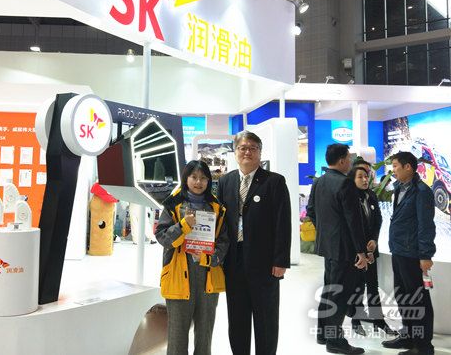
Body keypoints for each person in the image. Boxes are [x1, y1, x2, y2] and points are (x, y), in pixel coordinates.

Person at [217, 130, 291, 355]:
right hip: (233, 260)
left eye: (252, 148)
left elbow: (283, 223)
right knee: (237, 317)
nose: (247, 152)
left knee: (266, 318)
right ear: (235, 152)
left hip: (265, 262)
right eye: (242, 148)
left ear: (260, 152)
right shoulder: (226, 181)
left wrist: (281, 260)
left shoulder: (274, 181)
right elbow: (219, 221)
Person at [155, 160, 229, 355]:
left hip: (208, 278)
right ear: (186, 178)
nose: (198, 182)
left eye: (203, 178)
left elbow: (223, 242)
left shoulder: (217, 207)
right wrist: (183, 226)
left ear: (209, 181)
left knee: (205, 335)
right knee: (177, 336)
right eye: (194, 177)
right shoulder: (172, 204)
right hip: (178, 276)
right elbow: (162, 237)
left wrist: (210, 258)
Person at [307, 144, 368, 355]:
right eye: (349, 158)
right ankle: (335, 340)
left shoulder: (319, 181)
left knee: (330, 289)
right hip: (344, 248)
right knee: (339, 294)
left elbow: (311, 211)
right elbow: (353, 220)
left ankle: (323, 334)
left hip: (328, 246)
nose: (350, 162)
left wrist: (326, 232)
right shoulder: (345, 183)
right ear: (342, 160)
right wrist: (361, 251)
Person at [381, 151, 436, 355]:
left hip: (413, 253)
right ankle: (408, 337)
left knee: (417, 299)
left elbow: (426, 225)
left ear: (408, 167)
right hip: (399, 250)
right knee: (402, 296)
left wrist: (425, 255)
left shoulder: (421, 191)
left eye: (396, 166)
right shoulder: (399, 187)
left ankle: (423, 346)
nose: (393, 170)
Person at [346, 163, 397, 336]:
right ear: (352, 179)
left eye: (366, 176)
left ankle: (378, 321)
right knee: (357, 286)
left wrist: (374, 240)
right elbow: (351, 226)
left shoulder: (372, 195)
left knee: (373, 286)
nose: (364, 179)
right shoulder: (349, 198)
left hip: (371, 249)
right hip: (356, 251)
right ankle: (356, 320)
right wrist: (361, 248)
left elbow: (378, 220)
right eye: (360, 177)